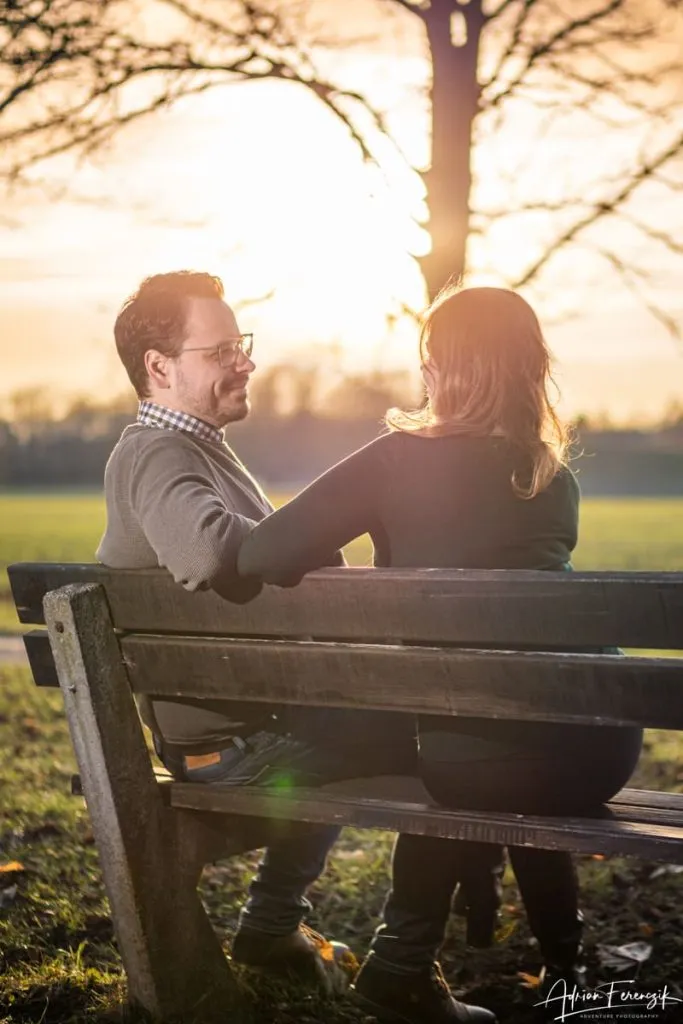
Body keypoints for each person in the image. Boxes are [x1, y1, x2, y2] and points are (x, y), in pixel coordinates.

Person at [237, 285, 644, 1024]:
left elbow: (263, 550)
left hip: (471, 755)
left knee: (456, 756)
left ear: (437, 367)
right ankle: (562, 967)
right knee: (498, 748)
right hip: (597, 744)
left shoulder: (394, 461)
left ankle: (396, 963)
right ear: (531, 371)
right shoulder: (553, 478)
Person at [96, 271, 495, 1019]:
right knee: (454, 754)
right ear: (160, 367)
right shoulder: (157, 454)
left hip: (254, 732)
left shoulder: (196, 450)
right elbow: (206, 553)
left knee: (398, 734)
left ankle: (272, 928)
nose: (244, 362)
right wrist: (305, 538)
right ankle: (399, 970)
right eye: (219, 350)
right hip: (235, 749)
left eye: (240, 345)